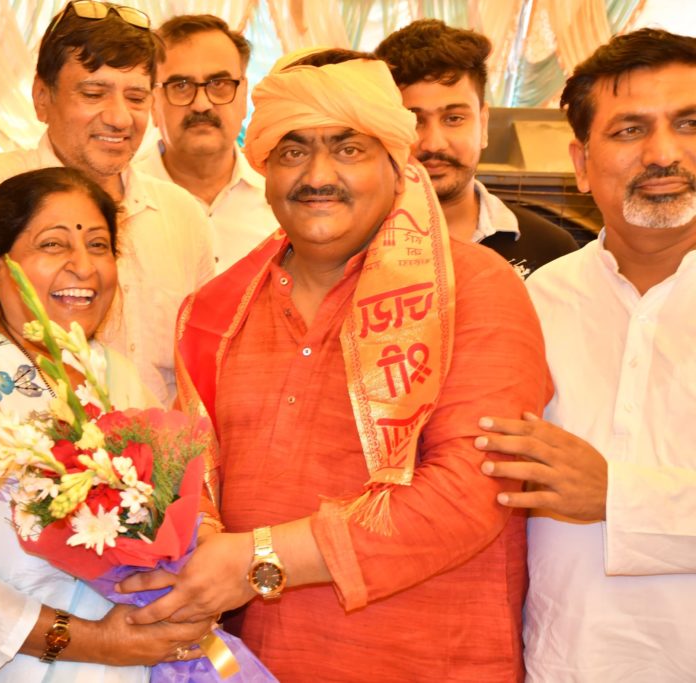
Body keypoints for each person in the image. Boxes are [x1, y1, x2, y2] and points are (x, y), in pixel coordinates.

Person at [119, 52, 552, 681]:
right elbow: (190, 479)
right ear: (264, 167)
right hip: (247, 665)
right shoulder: (217, 310)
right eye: (293, 151)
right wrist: (203, 544)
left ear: (396, 165)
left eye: (349, 149)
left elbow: (471, 488)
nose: (318, 175)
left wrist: (253, 560)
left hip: (432, 662)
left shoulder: (473, 288)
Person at [0, 167, 211, 682]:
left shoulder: (114, 374)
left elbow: (177, 517)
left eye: (98, 245)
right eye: (53, 245)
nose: (83, 266)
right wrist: (95, 642)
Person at [0, 1, 214, 406]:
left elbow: (198, 378)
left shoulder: (181, 215)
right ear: (42, 97)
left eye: (136, 97)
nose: (119, 118)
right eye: (93, 93)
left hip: (153, 447)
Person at [478, 28, 696, 681]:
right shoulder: (533, 302)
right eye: (630, 130)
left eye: (689, 124)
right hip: (563, 661)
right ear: (580, 163)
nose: (664, 153)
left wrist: (616, 495)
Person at [376, 19, 578, 278]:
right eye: (414, 121)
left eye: (454, 118)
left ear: (483, 125)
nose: (434, 143)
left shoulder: (551, 250)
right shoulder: (353, 248)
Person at [135, 14, 277, 272]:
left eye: (219, 84)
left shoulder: (281, 200)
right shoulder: (121, 203)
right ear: (153, 100)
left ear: (243, 94)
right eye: (181, 86)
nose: (201, 104)